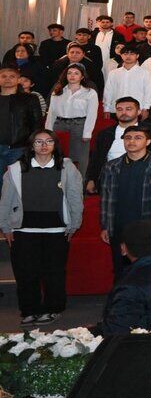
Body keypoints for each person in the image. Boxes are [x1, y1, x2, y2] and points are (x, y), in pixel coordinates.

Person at [0, 130, 84, 326]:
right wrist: (5, 226)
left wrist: (74, 224)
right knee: (25, 273)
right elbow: (5, 201)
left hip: (57, 231)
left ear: (55, 145)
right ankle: (29, 310)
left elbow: (75, 198)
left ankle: (53, 309)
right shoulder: (14, 169)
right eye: (38, 142)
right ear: (31, 145)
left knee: (54, 272)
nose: (43, 145)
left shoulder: (67, 168)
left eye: (48, 141)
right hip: (24, 230)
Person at [98, 125, 151, 280]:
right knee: (121, 270)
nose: (131, 141)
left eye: (138, 138)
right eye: (128, 138)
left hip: (149, 226)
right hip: (120, 227)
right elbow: (106, 198)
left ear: (148, 142)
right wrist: (105, 225)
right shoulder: (111, 166)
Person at [46, 65, 98, 176]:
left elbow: (92, 114)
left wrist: (87, 132)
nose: (72, 76)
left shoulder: (90, 92)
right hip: (59, 125)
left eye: (76, 73)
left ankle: (79, 185)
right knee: (58, 155)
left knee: (80, 158)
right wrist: (48, 131)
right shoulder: (58, 91)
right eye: (69, 73)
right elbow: (51, 113)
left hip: (79, 125)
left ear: (82, 76)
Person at [1, 66, 46, 172]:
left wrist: (34, 145)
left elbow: (37, 125)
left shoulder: (30, 99)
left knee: (18, 181)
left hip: (19, 147)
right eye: (3, 76)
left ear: (18, 80)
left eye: (12, 76)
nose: (7, 79)